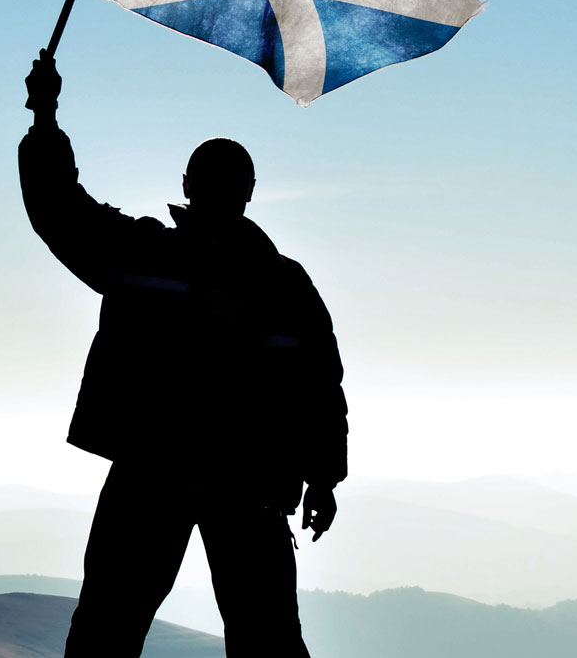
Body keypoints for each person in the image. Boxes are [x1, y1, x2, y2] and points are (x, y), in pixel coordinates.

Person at [18, 51, 347, 658]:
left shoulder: (141, 255)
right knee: (266, 640)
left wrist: (45, 114)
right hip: (246, 485)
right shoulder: (286, 285)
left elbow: (58, 208)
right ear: (248, 193)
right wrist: (323, 477)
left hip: (155, 472)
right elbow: (320, 388)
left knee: (106, 635)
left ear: (187, 187)